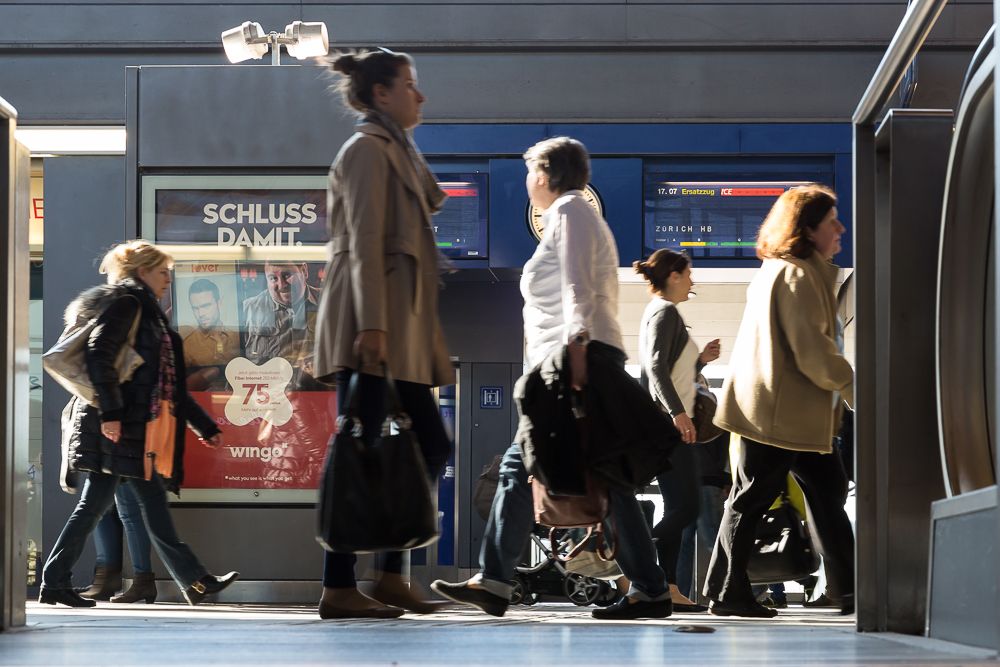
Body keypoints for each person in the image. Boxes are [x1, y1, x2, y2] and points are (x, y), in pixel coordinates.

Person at [430, 137, 675, 621]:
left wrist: (575, 357)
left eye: (529, 173)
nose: (527, 183)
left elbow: (576, 286)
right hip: (573, 358)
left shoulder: (569, 213)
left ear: (542, 174)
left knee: (521, 466)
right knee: (604, 471)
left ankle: (496, 580)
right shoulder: (575, 215)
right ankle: (649, 588)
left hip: (569, 361)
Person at [313, 49, 454, 620]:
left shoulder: (395, 150)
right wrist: (372, 325)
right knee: (363, 448)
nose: (420, 96)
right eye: (410, 86)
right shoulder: (369, 151)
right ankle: (341, 584)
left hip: (398, 325)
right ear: (380, 94)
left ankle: (391, 574)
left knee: (421, 444)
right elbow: (365, 243)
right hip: (373, 326)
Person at [39, 240, 240, 608]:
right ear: (142, 272)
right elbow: (100, 356)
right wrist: (112, 414)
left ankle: (195, 581)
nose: (168, 278)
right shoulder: (127, 304)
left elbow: (170, 387)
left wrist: (204, 426)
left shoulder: (150, 314)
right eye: (163, 271)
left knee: (146, 504)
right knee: (97, 506)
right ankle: (55, 581)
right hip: (117, 427)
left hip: (136, 429)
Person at [705, 185, 855, 618]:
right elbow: (812, 352)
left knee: (825, 493)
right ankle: (728, 592)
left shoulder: (793, 270)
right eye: (831, 221)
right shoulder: (797, 274)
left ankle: (847, 588)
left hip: (794, 415)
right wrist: (857, 389)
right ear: (808, 230)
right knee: (751, 499)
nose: (840, 228)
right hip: (778, 413)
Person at [634, 248, 721, 612]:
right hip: (669, 430)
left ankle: (667, 588)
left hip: (665, 428)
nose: (692, 281)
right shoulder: (665, 311)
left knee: (678, 504)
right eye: (688, 274)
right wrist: (678, 413)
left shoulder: (662, 313)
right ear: (673, 275)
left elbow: (670, 367)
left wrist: (701, 360)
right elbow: (655, 366)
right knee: (687, 507)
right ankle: (636, 560)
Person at [243, 260, 321, 374]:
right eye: (273, 278)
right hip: (268, 391)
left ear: (304, 271)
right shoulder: (247, 310)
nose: (282, 285)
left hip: (317, 390)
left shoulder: (331, 303)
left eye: (287, 275)